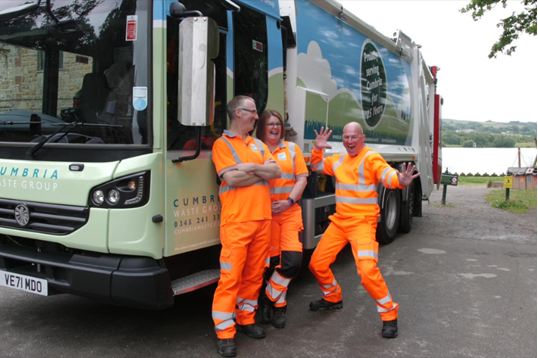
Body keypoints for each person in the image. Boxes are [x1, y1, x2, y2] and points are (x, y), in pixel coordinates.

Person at [309, 123, 420, 339]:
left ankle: (389, 315)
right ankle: (332, 297)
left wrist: (400, 180)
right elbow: (317, 166)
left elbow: (386, 174)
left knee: (368, 272)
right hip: (340, 222)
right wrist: (317, 148)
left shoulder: (370, 158)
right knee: (316, 264)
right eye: (346, 137)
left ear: (363, 137)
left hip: (363, 223)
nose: (350, 142)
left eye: (354, 137)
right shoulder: (339, 159)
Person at [211, 96, 282, 358]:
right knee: (231, 278)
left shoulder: (259, 145)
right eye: (253, 112)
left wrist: (252, 167)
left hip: (262, 221)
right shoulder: (223, 144)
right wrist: (261, 170)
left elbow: (276, 173)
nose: (256, 117)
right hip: (237, 222)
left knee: (254, 275)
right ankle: (225, 333)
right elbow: (231, 177)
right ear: (239, 113)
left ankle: (245, 319)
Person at [255, 110, 308, 329]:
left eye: (278, 124)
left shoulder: (292, 149)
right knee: (271, 264)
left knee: (292, 262)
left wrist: (288, 202)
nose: (275, 128)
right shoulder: (255, 150)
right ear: (263, 128)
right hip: (265, 215)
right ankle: (279, 307)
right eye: (270, 124)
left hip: (288, 212)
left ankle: (267, 298)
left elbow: (302, 178)